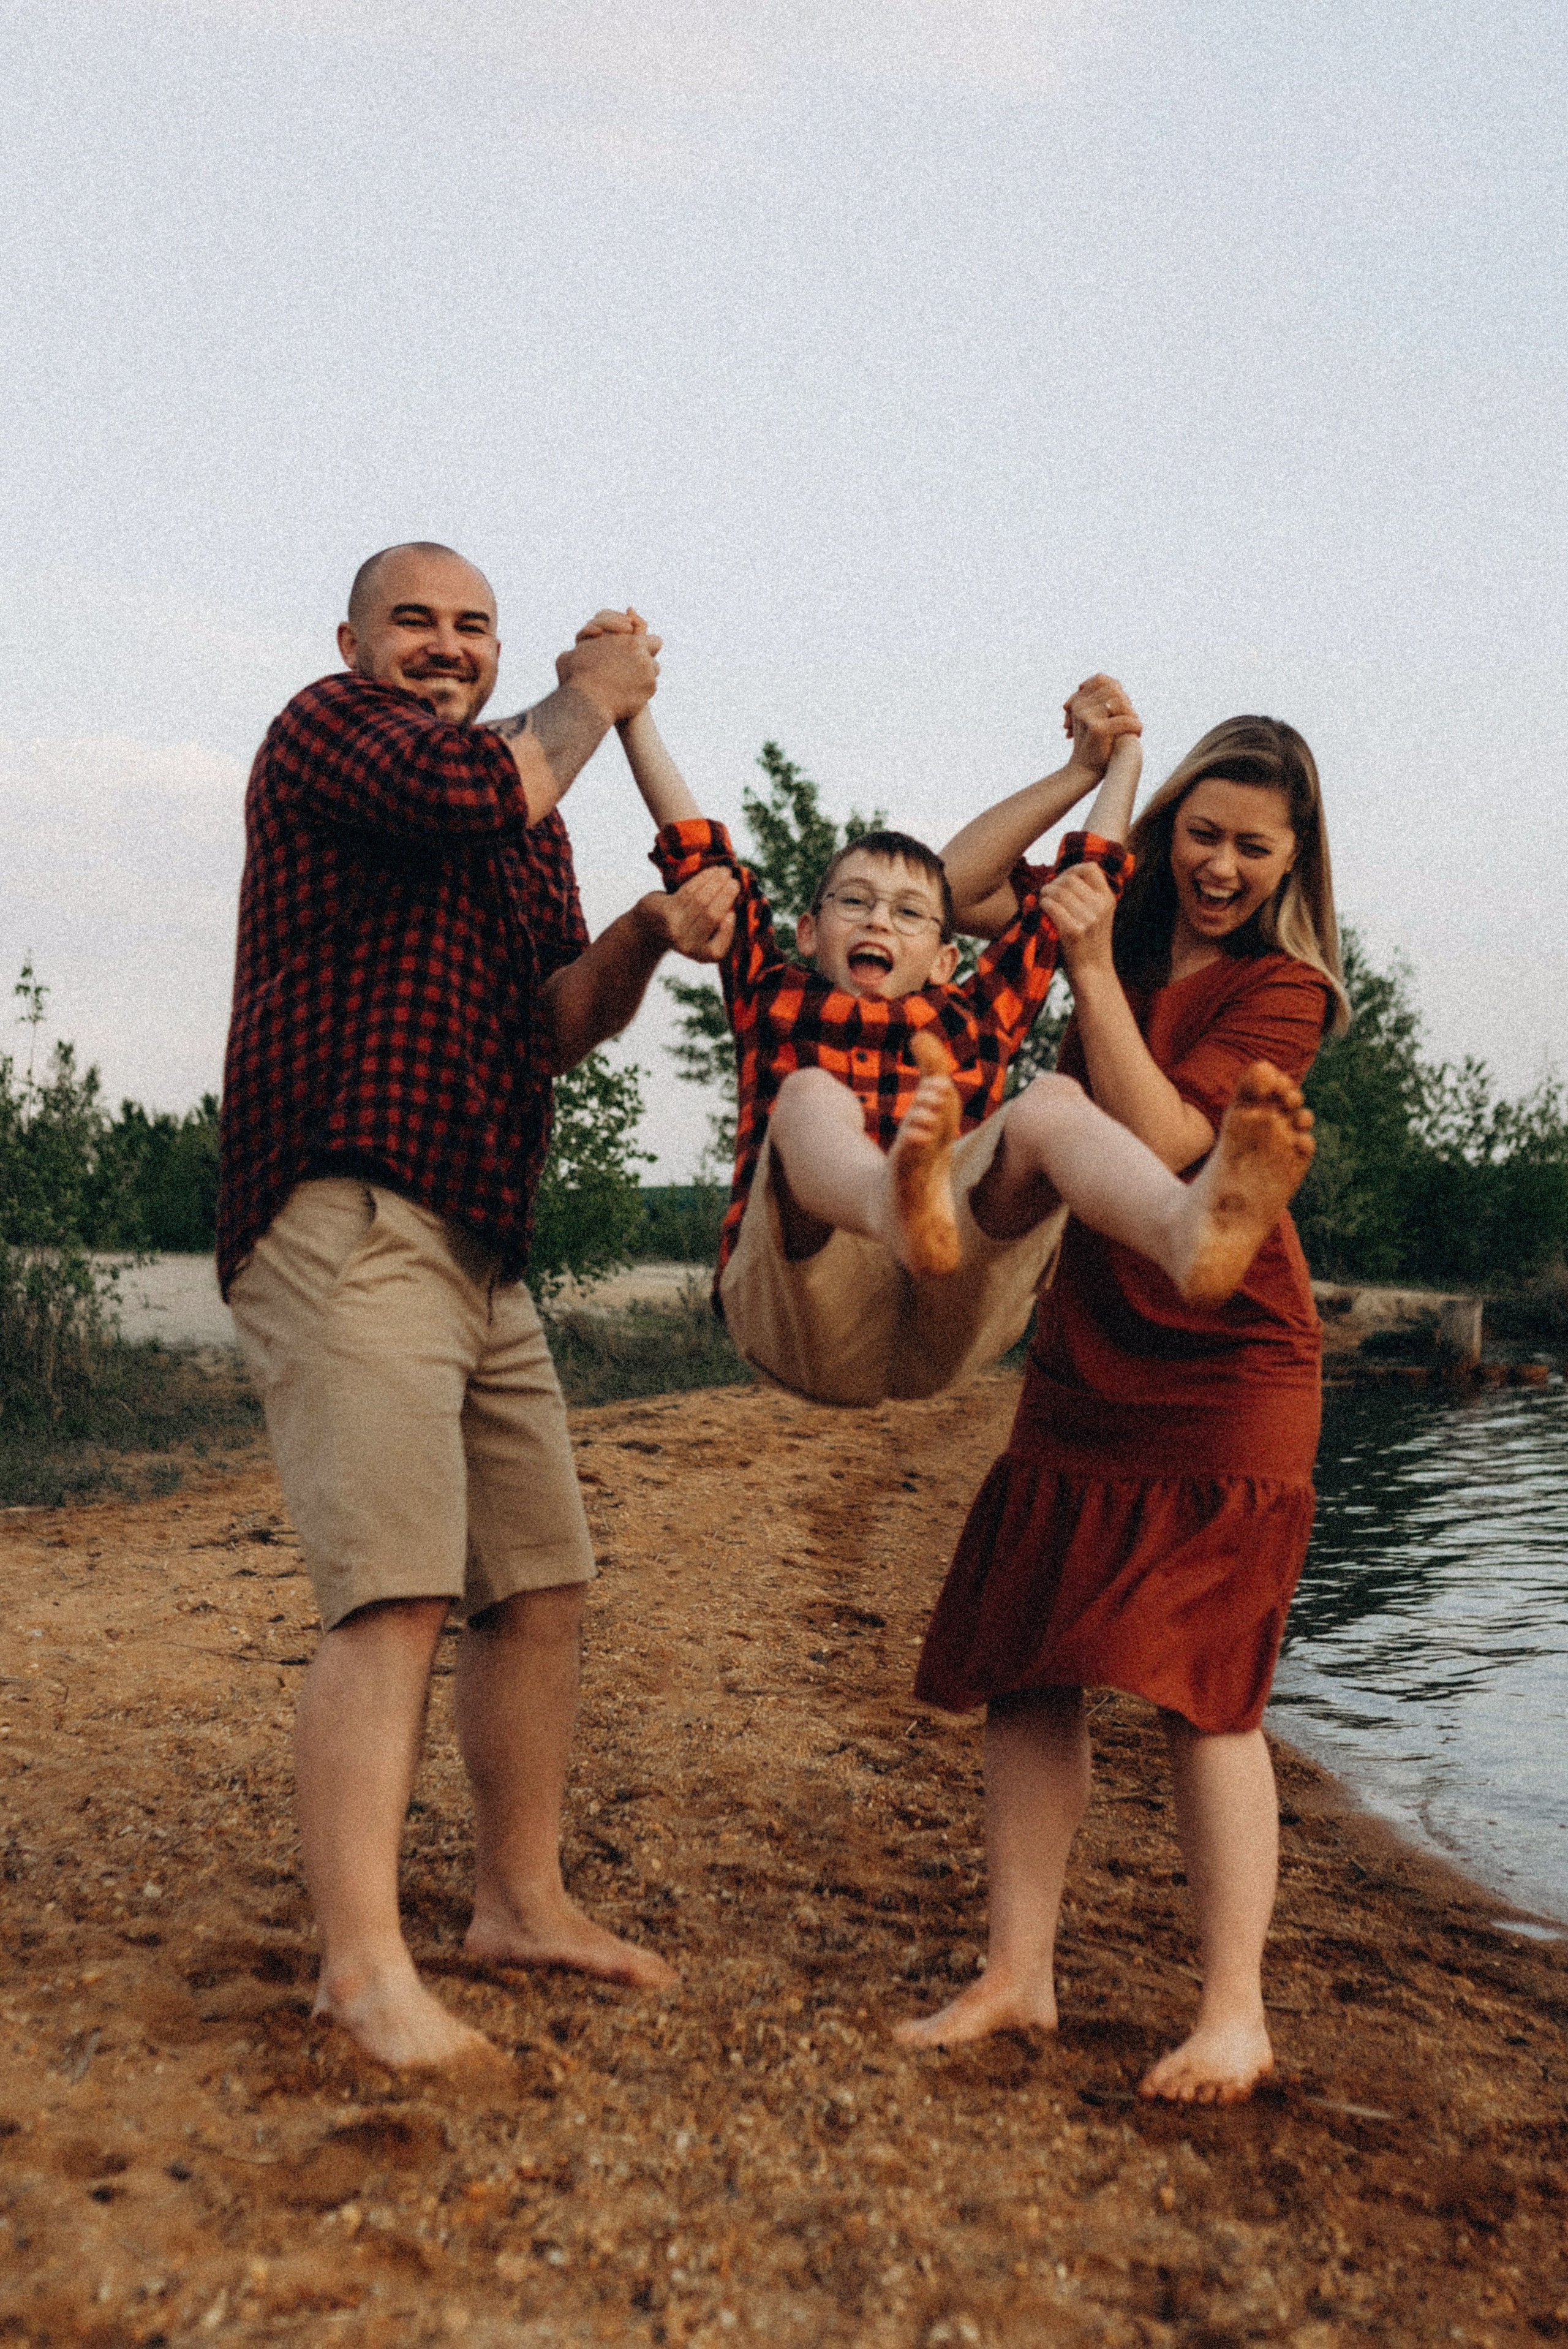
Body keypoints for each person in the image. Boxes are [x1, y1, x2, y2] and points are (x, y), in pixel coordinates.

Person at [217, 544, 740, 2070]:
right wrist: (597, 692)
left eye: (472, 628)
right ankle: (361, 1970)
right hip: (344, 1199)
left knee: (538, 1578)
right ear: (353, 639)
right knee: (393, 1588)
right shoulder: (326, 727)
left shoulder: (532, 810)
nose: (445, 647)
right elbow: (469, 793)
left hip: (479, 1228)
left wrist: (645, 933)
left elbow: (551, 1024)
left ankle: (516, 1898)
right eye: (415, 622)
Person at [899, 713, 1342, 2105]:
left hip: (1227, 1356)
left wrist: (1089, 967)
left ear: (1290, 859)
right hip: (1093, 1349)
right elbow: (959, 883)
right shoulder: (1122, 911)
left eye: (1248, 845)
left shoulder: (1284, 989)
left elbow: (1171, 1146)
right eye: (1199, 833)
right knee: (1031, 1660)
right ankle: (1014, 1973)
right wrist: (1088, 777)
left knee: (1204, 1697)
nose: (1217, 864)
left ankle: (1230, 2014)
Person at [598, 631, 1315, 1411]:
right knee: (808, 1095)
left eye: (910, 913)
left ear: (947, 958)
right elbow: (696, 852)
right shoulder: (773, 994)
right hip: (805, 1312)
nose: (879, 920)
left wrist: (1121, 765)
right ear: (806, 932)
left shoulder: (976, 1016)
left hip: (940, 1316)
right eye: (853, 902)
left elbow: (1089, 882)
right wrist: (631, 715)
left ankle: (1181, 1229)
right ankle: (885, 1197)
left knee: (1049, 1106)